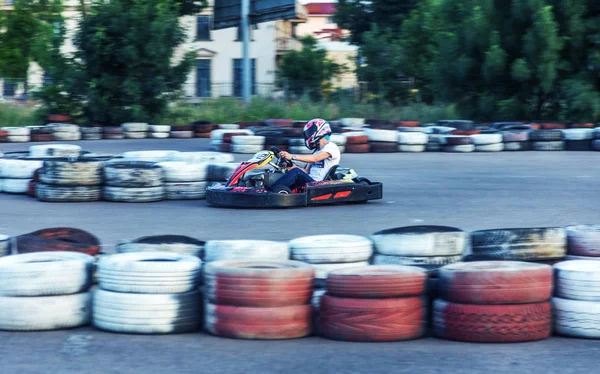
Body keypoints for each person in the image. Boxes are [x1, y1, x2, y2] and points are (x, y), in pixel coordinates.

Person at [271, 118, 340, 193]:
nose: (308, 135)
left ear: (320, 130)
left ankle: (272, 191)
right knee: (289, 171)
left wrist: (292, 156)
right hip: (310, 182)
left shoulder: (331, 147)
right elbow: (305, 171)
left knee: (296, 172)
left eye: (310, 131)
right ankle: (270, 188)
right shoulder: (316, 151)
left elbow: (315, 159)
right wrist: (289, 165)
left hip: (319, 184)